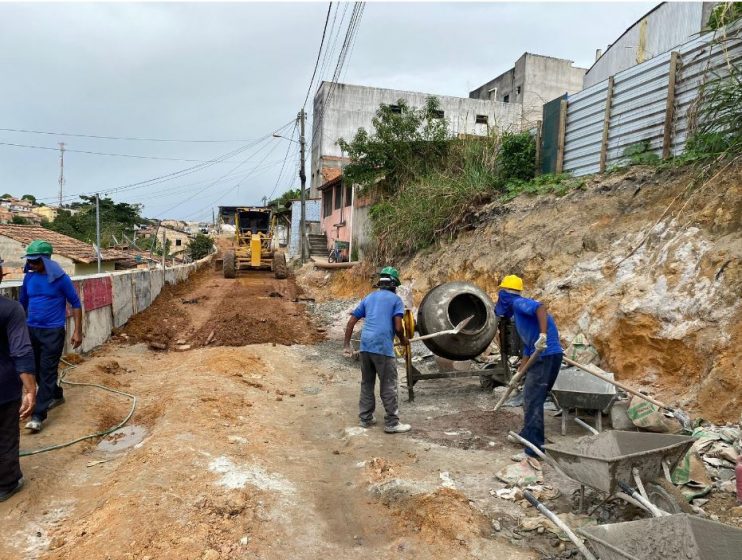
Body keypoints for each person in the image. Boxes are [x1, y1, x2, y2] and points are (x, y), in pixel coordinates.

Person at [494, 275, 563, 458]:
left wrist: (543, 335)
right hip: (542, 355)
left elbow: (540, 307)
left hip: (545, 355)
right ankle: (527, 434)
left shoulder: (519, 303)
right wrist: (519, 372)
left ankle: (533, 449)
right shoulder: (518, 316)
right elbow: (527, 347)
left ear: (506, 293)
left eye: (501, 292)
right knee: (531, 397)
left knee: (533, 400)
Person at [19, 240, 82, 433]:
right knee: (34, 370)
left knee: (47, 371)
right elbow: (21, 304)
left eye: (35, 261)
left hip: (53, 331)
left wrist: (78, 331)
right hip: (31, 330)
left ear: (46, 260)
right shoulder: (29, 279)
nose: (32, 265)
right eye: (29, 261)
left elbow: (76, 304)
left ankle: (38, 416)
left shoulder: (61, 279)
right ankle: (56, 394)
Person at [343, 266, 411, 434]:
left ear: (380, 283)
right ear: (395, 285)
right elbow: (398, 327)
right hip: (382, 347)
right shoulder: (396, 300)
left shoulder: (369, 297)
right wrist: (403, 341)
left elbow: (351, 322)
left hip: (365, 346)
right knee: (388, 384)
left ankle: (365, 419)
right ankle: (392, 423)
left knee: (367, 383)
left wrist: (346, 344)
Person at [0, 256, 37, 501]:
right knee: (5, 436)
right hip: (4, 388)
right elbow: (21, 350)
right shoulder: (10, 309)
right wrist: (30, 389)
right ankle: (6, 484)